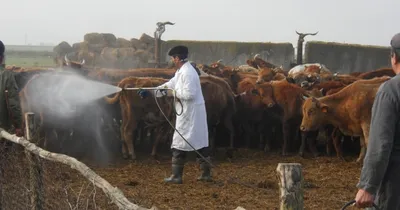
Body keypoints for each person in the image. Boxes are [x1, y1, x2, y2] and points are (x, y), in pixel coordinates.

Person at [138, 45, 212, 184]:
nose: (172, 60)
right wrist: (151, 91)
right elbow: (170, 84)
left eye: (173, 58)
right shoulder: (181, 71)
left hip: (191, 113)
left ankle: (177, 176)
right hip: (188, 113)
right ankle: (205, 174)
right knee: (197, 141)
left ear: (177, 58)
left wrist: (172, 93)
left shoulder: (188, 73)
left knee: (183, 141)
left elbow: (189, 94)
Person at [354, 33, 400, 209]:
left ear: (394, 57)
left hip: (394, 185)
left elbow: (380, 145)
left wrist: (368, 186)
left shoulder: (391, 90)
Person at [0, 40, 23, 137]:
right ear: (1, 58)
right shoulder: (6, 76)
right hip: (3, 129)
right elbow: (13, 104)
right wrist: (18, 125)